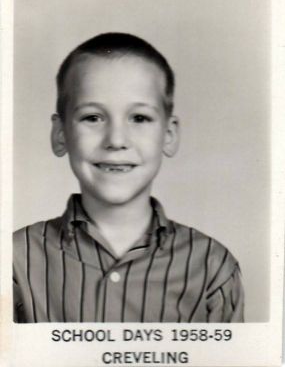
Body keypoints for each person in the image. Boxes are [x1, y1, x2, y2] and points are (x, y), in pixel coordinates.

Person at [13, 32, 244, 323]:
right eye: (93, 117)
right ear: (60, 134)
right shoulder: (15, 261)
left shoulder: (212, 267)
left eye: (139, 118)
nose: (116, 140)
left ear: (169, 135)